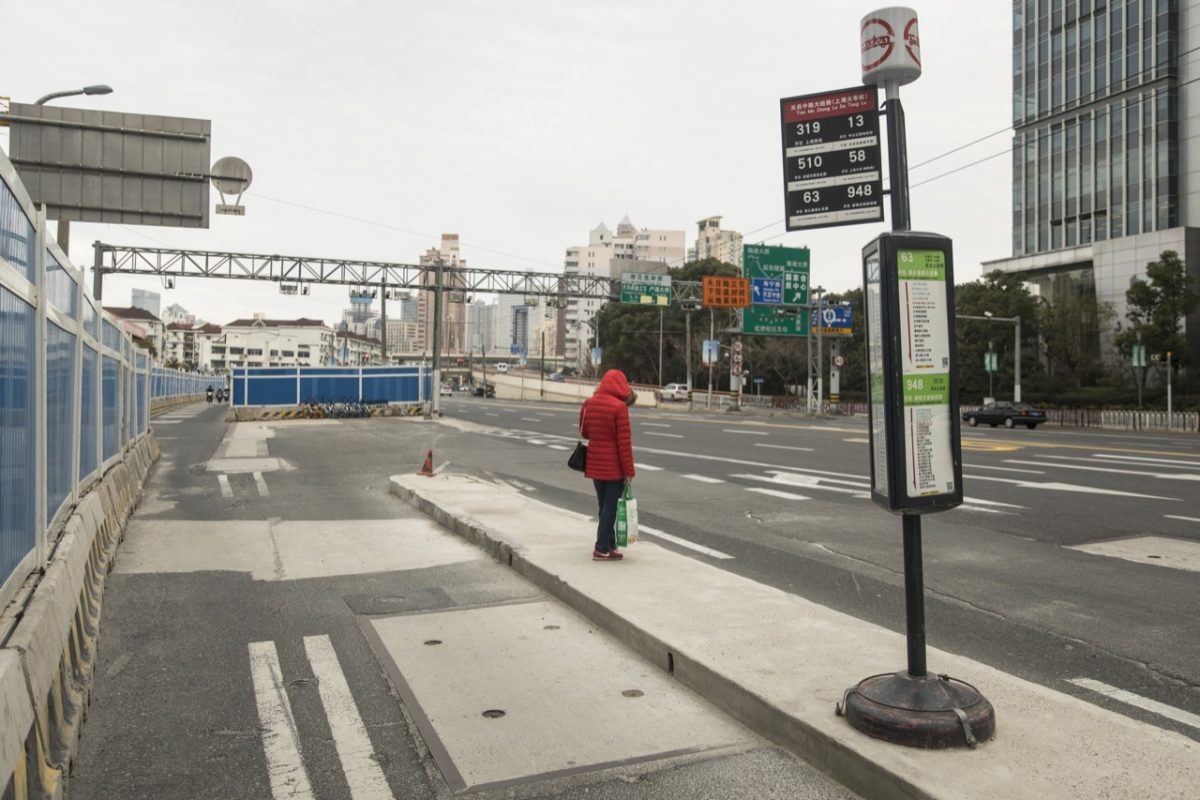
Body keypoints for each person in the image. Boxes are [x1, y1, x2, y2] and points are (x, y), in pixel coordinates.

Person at [579, 369, 636, 561]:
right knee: (610, 507)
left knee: (604, 506)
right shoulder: (620, 407)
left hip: (594, 463)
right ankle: (601, 547)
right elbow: (624, 444)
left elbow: (585, 433)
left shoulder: (589, 403)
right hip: (614, 467)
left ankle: (610, 545)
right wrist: (629, 471)